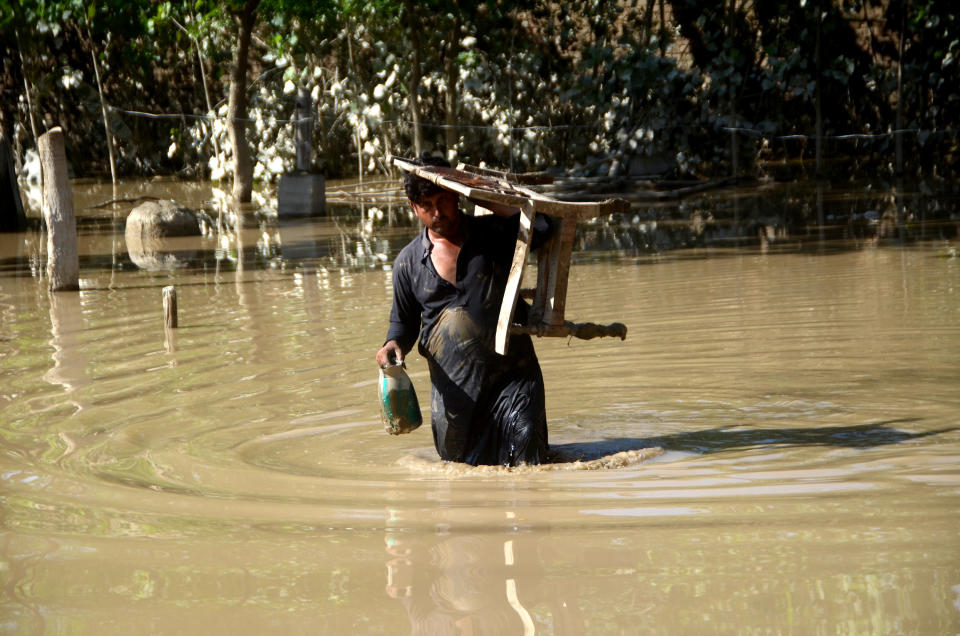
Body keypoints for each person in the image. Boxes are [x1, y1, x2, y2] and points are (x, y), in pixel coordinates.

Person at [376, 153, 553, 466]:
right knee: (458, 468)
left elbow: (544, 223)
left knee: (530, 460)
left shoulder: (492, 235)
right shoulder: (407, 264)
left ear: (457, 196)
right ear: (413, 208)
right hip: (456, 396)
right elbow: (403, 326)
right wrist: (391, 346)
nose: (437, 212)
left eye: (443, 200)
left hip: (513, 380)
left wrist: (484, 192)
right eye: (426, 206)